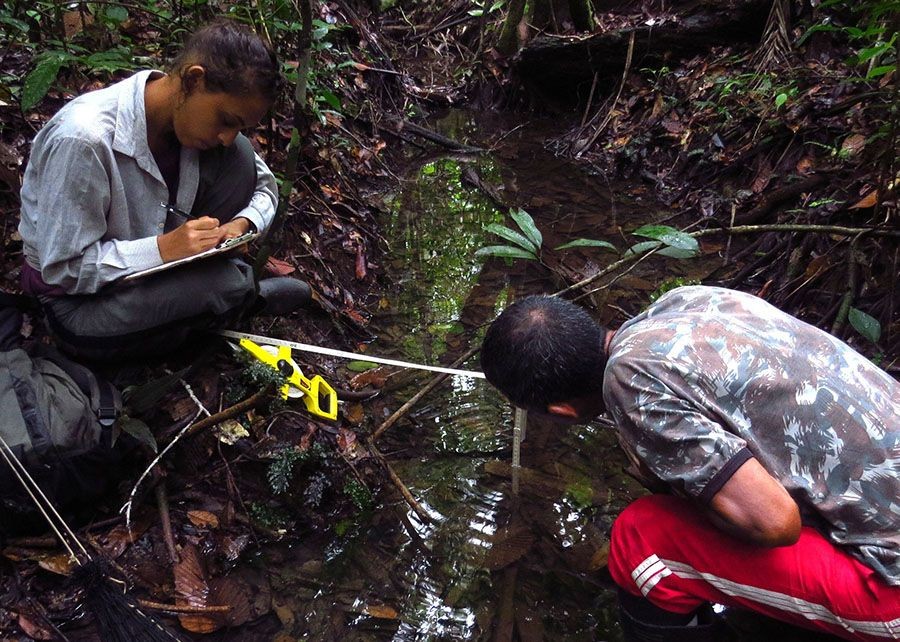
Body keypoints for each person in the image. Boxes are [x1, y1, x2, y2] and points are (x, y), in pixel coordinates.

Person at [480, 286, 899, 641]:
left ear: (561, 411)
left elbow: (776, 523)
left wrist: (693, 497)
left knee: (643, 540)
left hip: (890, 587)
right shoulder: (684, 301)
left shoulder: (629, 381)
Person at [18, 19, 310, 363]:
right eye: (226, 121)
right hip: (75, 304)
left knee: (241, 155)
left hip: (148, 268)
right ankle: (231, 300)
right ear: (193, 79)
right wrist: (163, 249)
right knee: (222, 285)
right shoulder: (84, 140)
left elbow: (264, 185)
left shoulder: (185, 121)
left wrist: (243, 224)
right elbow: (64, 269)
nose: (227, 135)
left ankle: (211, 297)